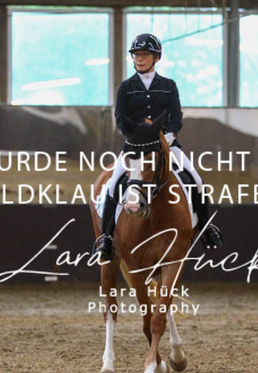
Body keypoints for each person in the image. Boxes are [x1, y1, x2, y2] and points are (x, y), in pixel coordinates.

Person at [93, 33, 223, 261]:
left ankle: (205, 228)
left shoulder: (168, 86)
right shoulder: (126, 87)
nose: (139, 59)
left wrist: (169, 135)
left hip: (166, 145)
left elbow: (176, 116)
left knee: (196, 180)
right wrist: (136, 134)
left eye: (145, 55)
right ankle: (106, 238)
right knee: (113, 185)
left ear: (156, 57)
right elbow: (121, 119)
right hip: (135, 148)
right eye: (136, 55)